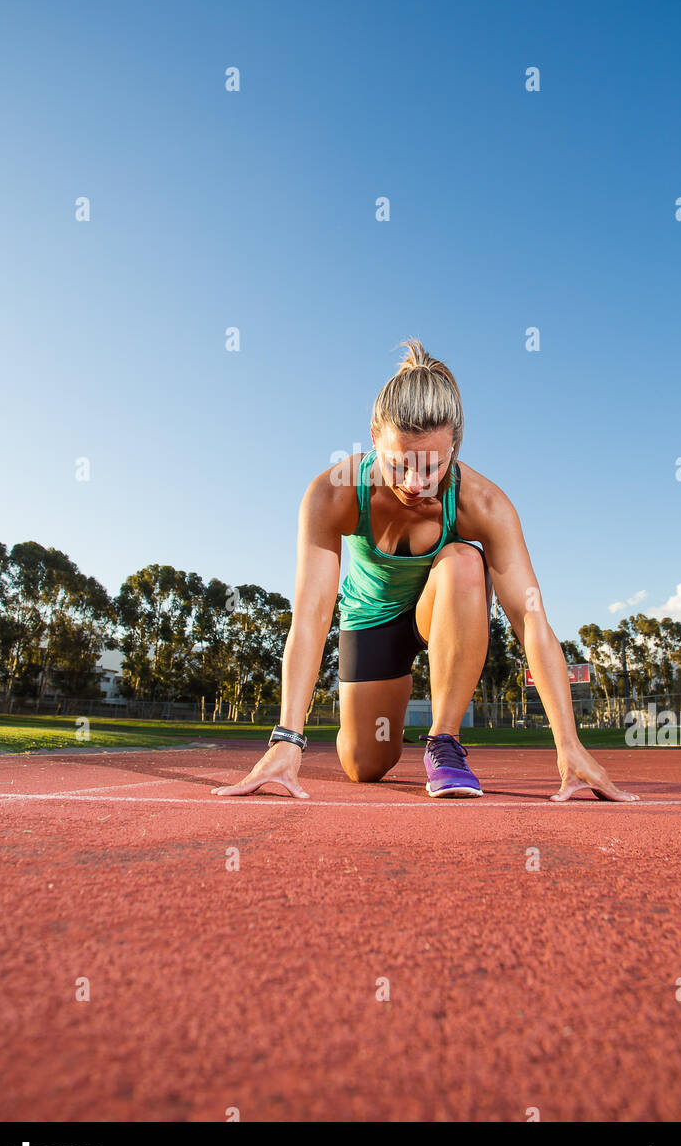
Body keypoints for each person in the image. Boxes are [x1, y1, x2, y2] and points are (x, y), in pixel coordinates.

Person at [213, 339, 637, 804]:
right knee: (365, 765)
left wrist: (569, 746)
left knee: (465, 561)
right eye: (399, 465)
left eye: (432, 466)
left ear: (454, 444)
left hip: (446, 608)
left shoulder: (485, 504)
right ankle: (383, 702)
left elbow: (531, 618)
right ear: (373, 438)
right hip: (371, 620)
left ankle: (444, 742)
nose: (415, 485)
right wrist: (287, 738)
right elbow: (312, 611)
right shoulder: (333, 493)